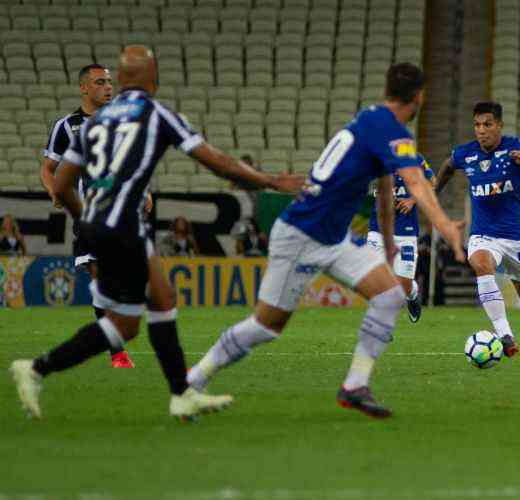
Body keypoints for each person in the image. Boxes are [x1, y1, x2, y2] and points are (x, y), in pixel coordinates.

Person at [10, 45, 304, 420]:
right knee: (125, 325)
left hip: (101, 224)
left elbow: (63, 183)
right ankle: (36, 369)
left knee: (161, 299)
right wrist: (270, 180)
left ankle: (181, 392)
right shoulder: (154, 112)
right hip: (122, 225)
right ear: (152, 77)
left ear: (121, 80)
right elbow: (218, 162)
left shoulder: (93, 124)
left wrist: (85, 218)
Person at [186, 62, 465, 419]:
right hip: (301, 234)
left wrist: (390, 241)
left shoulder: (371, 120)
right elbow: (414, 182)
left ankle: (354, 386)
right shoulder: (391, 131)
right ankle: (193, 380)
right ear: (420, 96)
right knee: (266, 326)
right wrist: (444, 225)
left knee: (390, 295)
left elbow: (383, 188)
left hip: (333, 238)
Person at [434, 101, 520, 369]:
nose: (481, 130)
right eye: (477, 125)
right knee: (481, 264)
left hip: (516, 236)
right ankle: (505, 334)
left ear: (499, 126)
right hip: (483, 235)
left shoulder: (518, 147)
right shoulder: (465, 153)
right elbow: (447, 167)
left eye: (487, 124)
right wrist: (431, 194)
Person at [38, 64, 138, 368]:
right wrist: (54, 191)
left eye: (109, 82)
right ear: (84, 88)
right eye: (99, 82)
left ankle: (113, 343)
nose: (107, 87)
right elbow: (47, 168)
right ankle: (117, 353)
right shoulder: (67, 127)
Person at [366, 152, 435, 322]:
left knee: (403, 284)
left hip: (406, 231)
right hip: (378, 229)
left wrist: (412, 200)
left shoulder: (414, 159)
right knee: (375, 280)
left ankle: (411, 293)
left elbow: (432, 181)